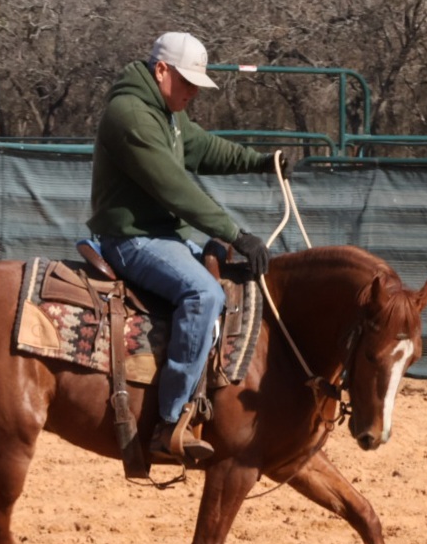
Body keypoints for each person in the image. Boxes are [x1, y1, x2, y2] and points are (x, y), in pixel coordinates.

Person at [88, 31, 286, 464]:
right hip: (132, 239)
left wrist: (262, 161)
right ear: (161, 70)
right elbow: (176, 189)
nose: (194, 92)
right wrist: (236, 233)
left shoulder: (168, 114)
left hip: (162, 237)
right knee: (205, 293)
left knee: (229, 283)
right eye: (188, 81)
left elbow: (206, 149)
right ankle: (170, 420)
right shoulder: (131, 116)